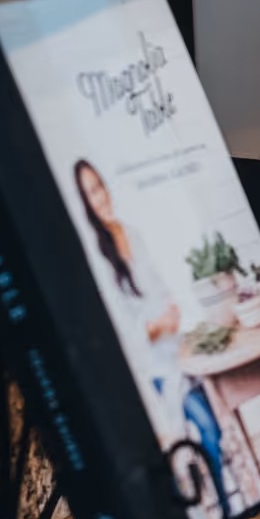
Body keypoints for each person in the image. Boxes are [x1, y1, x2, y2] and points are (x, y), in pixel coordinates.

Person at [72, 159, 228, 497]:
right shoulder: (99, 259)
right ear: (85, 203)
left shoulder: (131, 230)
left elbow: (158, 285)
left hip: (180, 347)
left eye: (100, 187)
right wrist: (156, 326)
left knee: (213, 428)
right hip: (157, 366)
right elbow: (123, 330)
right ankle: (204, 508)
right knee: (200, 430)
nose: (100, 197)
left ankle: (221, 504)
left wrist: (173, 308)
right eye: (91, 193)